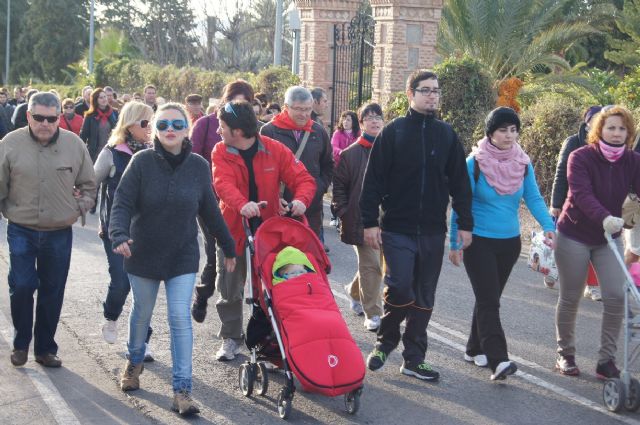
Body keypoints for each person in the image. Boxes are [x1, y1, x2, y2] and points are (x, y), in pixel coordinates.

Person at [109, 103, 236, 416]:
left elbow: (210, 209)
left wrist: (229, 246)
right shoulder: (140, 162)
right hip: (143, 252)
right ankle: (134, 360)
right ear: (154, 128)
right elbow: (122, 203)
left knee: (179, 318)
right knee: (142, 313)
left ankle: (182, 390)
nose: (170, 130)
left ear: (187, 128)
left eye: (177, 125)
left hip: (181, 254)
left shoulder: (198, 166)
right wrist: (118, 234)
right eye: (163, 124)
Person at [360, 69, 473, 381]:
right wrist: (370, 223)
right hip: (396, 228)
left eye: (436, 90)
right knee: (399, 286)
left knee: (424, 294)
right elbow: (372, 182)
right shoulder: (393, 132)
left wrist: (465, 224)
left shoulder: (447, 135)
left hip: (434, 230)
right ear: (411, 94)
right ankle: (386, 340)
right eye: (426, 90)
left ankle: (414, 358)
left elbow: (461, 185)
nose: (432, 95)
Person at [449, 107, 556, 380]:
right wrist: (454, 241)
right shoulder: (474, 163)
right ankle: (499, 360)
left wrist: (549, 227)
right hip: (478, 242)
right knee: (489, 301)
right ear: (490, 133)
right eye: (502, 130)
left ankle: (473, 348)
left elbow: (533, 197)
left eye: (513, 129)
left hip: (510, 244)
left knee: (489, 299)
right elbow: (461, 204)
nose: (509, 135)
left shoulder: (522, 162)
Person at [211, 100, 316, 361]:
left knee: (271, 289)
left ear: (237, 131)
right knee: (229, 286)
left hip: (269, 233)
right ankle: (231, 338)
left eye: (222, 127)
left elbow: (303, 179)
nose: (218, 131)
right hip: (233, 230)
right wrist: (242, 204)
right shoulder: (220, 151)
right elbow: (222, 183)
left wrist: (301, 201)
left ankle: (269, 341)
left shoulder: (274, 149)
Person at [0, 92, 96, 368]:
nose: (45, 123)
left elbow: (89, 184)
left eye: (51, 118)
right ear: (29, 116)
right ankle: (20, 345)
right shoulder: (10, 144)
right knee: (22, 286)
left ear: (58, 119)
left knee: (52, 290)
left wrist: (83, 204)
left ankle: (45, 349)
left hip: (58, 232)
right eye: (39, 118)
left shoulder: (74, 145)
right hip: (21, 229)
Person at [554, 105, 640, 380]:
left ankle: (606, 361)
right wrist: (605, 217)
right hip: (575, 233)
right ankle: (565, 354)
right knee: (571, 297)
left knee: (616, 297)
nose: (616, 133)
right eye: (611, 127)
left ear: (629, 133)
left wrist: (619, 219)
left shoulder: (632, 160)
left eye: (622, 128)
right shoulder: (580, 157)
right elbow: (580, 193)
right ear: (598, 129)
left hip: (609, 237)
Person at [190, 79, 255, 324]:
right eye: (233, 102)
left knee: (238, 261)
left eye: (245, 102)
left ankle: (208, 293)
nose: (238, 107)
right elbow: (193, 162)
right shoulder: (207, 126)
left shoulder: (254, 130)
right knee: (216, 254)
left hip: (248, 206)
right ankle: (206, 294)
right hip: (210, 202)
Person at [94, 101, 155, 362]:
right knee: (120, 282)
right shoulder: (111, 153)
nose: (150, 128)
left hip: (145, 232)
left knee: (143, 289)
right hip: (115, 230)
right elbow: (91, 182)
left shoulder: (155, 153)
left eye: (152, 122)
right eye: (145, 123)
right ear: (130, 124)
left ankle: (141, 341)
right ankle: (110, 317)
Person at [332, 103, 384, 331]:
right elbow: (339, 189)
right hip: (361, 220)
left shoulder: (391, 150)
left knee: (376, 265)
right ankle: (373, 312)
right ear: (361, 123)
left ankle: (354, 290)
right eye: (369, 118)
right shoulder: (350, 154)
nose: (374, 121)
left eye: (378, 117)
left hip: (388, 220)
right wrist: (344, 213)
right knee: (372, 265)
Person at [260, 86, 333, 239]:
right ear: (286, 107)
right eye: (299, 109)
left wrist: (319, 188)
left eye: (308, 109)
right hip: (279, 208)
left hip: (311, 208)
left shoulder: (319, 132)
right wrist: (274, 197)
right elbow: (262, 170)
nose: (305, 114)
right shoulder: (269, 131)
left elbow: (328, 165)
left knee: (310, 258)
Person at [549, 106, 603, 298]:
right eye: (595, 119)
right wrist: (555, 204)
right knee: (566, 243)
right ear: (587, 122)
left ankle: (593, 285)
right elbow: (561, 173)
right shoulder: (573, 142)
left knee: (594, 242)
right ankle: (553, 269)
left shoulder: (607, 145)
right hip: (570, 204)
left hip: (595, 205)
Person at [80, 88, 119, 163]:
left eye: (105, 97)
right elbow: (83, 135)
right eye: (101, 97)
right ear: (95, 100)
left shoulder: (114, 113)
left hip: (111, 152)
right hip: (95, 153)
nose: (104, 99)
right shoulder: (90, 116)